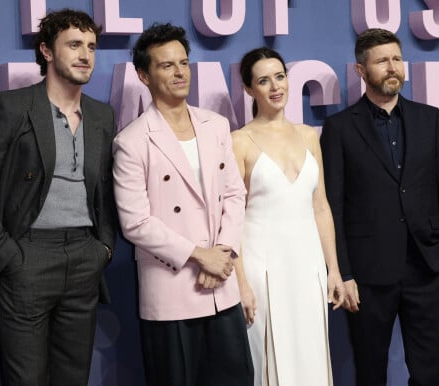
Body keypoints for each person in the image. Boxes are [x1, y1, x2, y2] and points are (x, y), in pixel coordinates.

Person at [0, 9, 117, 386]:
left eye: (91, 46)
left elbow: (105, 193)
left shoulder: (102, 116)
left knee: (74, 378)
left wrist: (103, 247)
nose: (85, 55)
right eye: (74, 44)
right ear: (46, 50)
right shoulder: (10, 108)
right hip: (27, 258)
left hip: (84, 259)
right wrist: (11, 258)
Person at [112, 23, 254, 386]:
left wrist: (221, 252)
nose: (179, 73)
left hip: (221, 285)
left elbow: (235, 195)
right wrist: (198, 254)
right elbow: (135, 222)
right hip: (171, 289)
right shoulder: (132, 141)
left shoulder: (216, 125)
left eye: (184, 63)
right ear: (144, 75)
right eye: (166, 65)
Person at [320, 28, 439, 386]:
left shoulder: (428, 119)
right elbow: (332, 205)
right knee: (370, 373)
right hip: (368, 276)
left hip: (428, 267)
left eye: (396, 59)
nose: (392, 67)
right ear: (361, 70)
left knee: (428, 374)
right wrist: (345, 273)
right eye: (382, 61)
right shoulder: (338, 129)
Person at [232, 47, 345, 386]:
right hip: (261, 267)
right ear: (250, 89)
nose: (275, 87)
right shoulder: (239, 141)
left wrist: (334, 269)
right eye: (263, 81)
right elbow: (232, 218)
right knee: (267, 362)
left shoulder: (310, 135)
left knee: (310, 357)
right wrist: (240, 283)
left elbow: (321, 206)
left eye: (279, 77)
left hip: (308, 267)